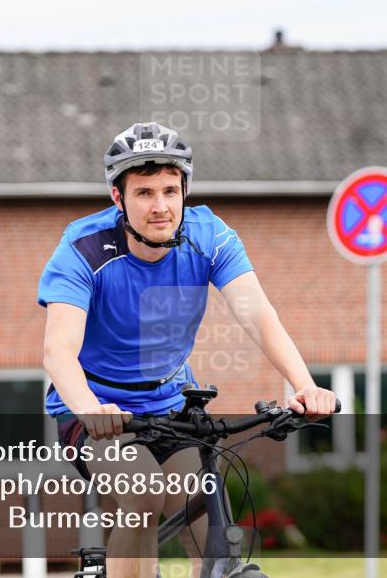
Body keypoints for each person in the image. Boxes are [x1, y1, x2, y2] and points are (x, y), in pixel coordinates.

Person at [38, 122, 338, 578]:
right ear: (118, 199)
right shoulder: (84, 250)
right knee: (142, 495)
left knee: (205, 515)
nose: (160, 207)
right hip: (97, 408)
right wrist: (91, 409)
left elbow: (257, 314)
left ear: (184, 191)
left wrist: (304, 385)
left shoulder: (208, 235)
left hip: (172, 402)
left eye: (170, 191)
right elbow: (59, 351)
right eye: (143, 193)